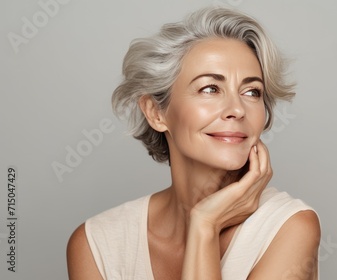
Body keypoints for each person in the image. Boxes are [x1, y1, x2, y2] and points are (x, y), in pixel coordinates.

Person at [67, 6, 321, 280]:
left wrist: (204, 226)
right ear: (156, 112)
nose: (237, 109)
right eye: (210, 88)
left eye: (251, 91)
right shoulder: (97, 244)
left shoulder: (290, 227)